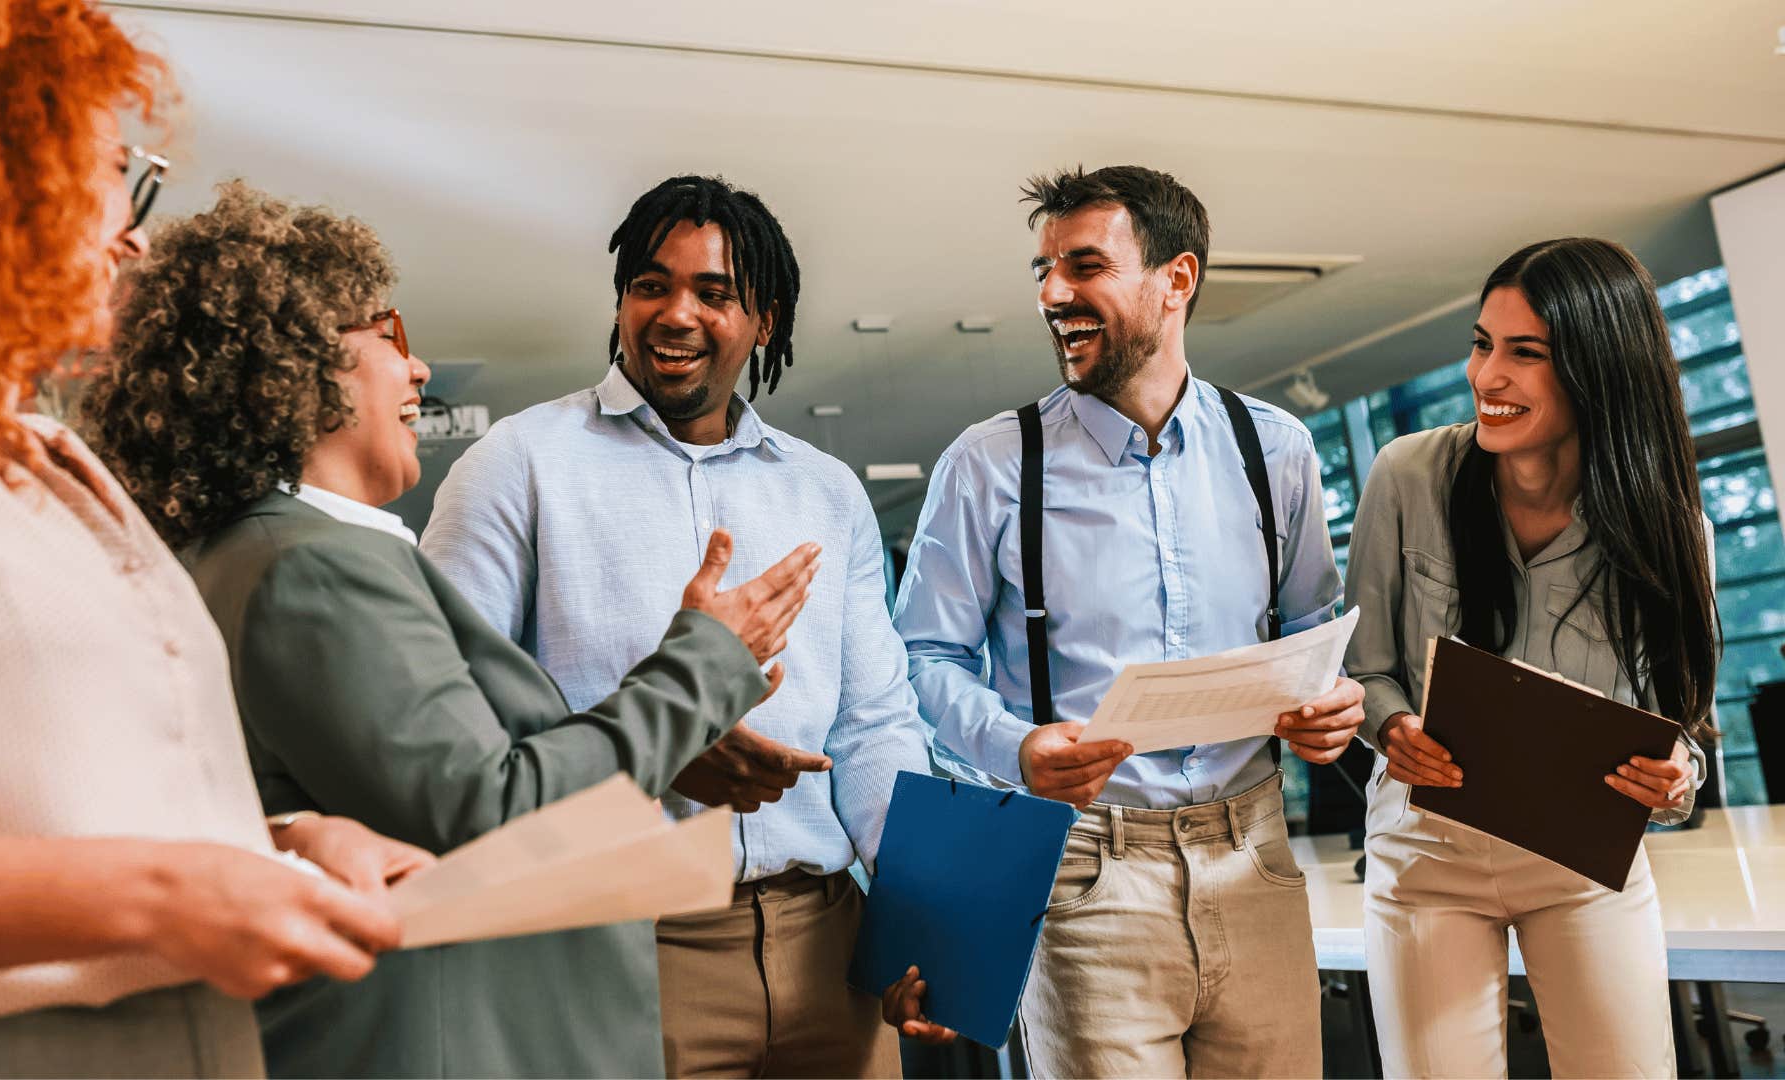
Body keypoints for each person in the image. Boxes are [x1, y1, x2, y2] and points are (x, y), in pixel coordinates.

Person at [83, 181, 818, 1078]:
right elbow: (492, 811)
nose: (418, 368)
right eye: (390, 334)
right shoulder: (311, 568)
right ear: (299, 361)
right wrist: (707, 660)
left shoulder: (282, 552)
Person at [0, 5, 418, 1076]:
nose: (136, 234)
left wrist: (282, 846)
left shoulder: (53, 464)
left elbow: (56, 793)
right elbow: (118, 878)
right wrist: (163, 896)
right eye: (117, 171)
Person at [421, 174, 932, 1078]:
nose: (676, 313)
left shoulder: (826, 490)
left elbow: (875, 726)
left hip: (830, 944)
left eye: (715, 292)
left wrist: (924, 911)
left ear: (765, 320)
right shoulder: (518, 465)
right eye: (650, 285)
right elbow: (448, 727)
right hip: (622, 938)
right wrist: (651, 754)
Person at [888, 165, 1365, 1077]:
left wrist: (1330, 706)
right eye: (1043, 270)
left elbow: (1312, 631)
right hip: (1082, 872)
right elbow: (921, 656)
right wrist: (1013, 746)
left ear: (1175, 280)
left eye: (1084, 265)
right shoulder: (990, 464)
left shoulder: (1277, 450)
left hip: (1257, 856)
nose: (1053, 294)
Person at [1345, 236, 1715, 1077]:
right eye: (1482, 344)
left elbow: (1685, 724)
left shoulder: (1671, 530)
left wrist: (1678, 777)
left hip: (1583, 862)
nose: (1487, 376)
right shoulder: (1408, 475)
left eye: (1525, 353)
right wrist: (1392, 724)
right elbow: (1362, 669)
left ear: (1600, 369)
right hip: (1425, 853)